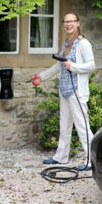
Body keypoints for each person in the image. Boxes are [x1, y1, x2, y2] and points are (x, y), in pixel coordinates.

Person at [32, 13, 95, 171]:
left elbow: (91, 65)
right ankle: (61, 157)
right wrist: (41, 77)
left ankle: (92, 160)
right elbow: (59, 66)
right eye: (66, 21)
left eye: (71, 21)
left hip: (77, 91)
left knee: (82, 126)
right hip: (65, 90)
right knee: (65, 126)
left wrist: (73, 66)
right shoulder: (66, 43)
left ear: (78, 23)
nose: (68, 24)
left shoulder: (83, 43)